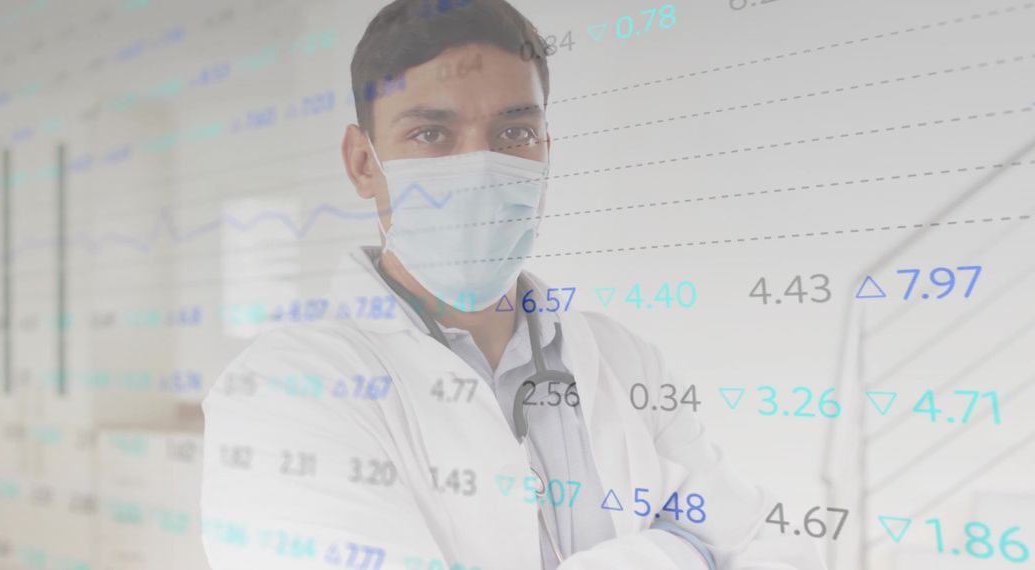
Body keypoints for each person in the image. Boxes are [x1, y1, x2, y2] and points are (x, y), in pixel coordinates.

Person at [201, 1, 827, 568]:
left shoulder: (621, 357)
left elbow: (762, 545)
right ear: (364, 163)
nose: (478, 166)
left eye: (514, 133)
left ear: (545, 149)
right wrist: (676, 550)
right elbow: (717, 547)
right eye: (431, 134)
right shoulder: (286, 390)